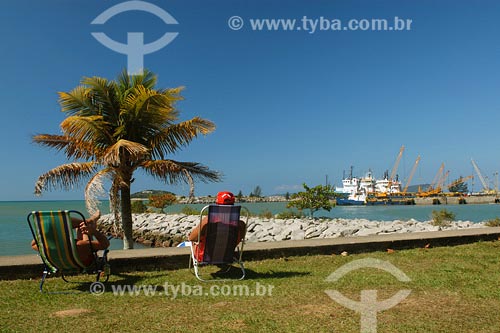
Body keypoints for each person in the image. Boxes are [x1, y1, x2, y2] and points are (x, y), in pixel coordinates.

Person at [31, 210, 110, 266]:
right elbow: (105, 244)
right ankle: (88, 221)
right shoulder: (79, 245)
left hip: (59, 264)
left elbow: (33, 244)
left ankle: (87, 222)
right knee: (83, 231)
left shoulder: (45, 247)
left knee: (82, 229)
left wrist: (44, 232)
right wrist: (94, 231)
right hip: (83, 260)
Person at [188, 191, 246, 261]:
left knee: (193, 241)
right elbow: (238, 240)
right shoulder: (240, 224)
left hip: (205, 256)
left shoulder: (207, 221)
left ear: (217, 204)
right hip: (227, 255)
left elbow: (191, 238)